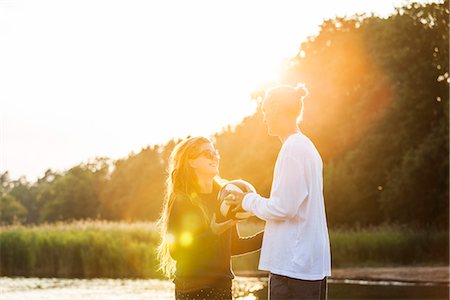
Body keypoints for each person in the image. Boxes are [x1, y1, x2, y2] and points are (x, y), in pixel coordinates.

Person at [225, 84, 331, 300]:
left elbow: (283, 208)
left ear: (277, 109)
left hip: (293, 268)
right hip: (307, 267)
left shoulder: (292, 149)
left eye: (265, 111)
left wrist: (246, 200)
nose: (263, 118)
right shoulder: (306, 147)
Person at [157, 136, 263, 300]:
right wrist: (211, 233)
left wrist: (269, 235)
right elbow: (176, 251)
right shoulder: (182, 201)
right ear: (192, 162)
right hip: (191, 289)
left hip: (222, 288)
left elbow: (233, 246)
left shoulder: (224, 198)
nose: (214, 157)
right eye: (207, 154)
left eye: (215, 153)